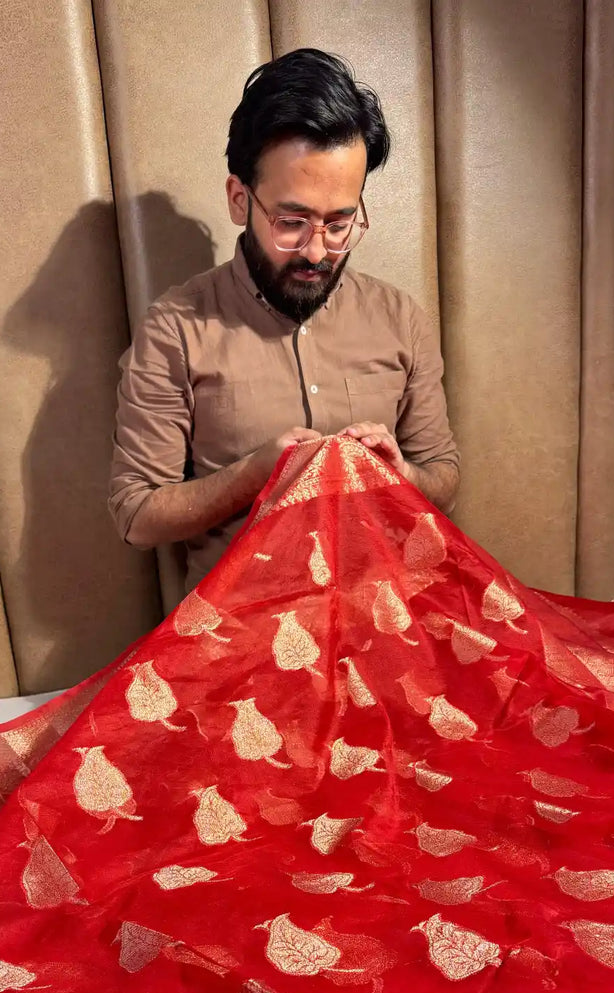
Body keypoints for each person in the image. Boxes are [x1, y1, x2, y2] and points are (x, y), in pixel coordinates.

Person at [108, 48, 460, 589]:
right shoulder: (176, 330)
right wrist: (255, 475)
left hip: (390, 615)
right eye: (291, 221)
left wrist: (403, 474)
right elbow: (135, 516)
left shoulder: (400, 318)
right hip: (242, 630)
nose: (317, 252)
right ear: (238, 199)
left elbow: (444, 477)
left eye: (340, 223)